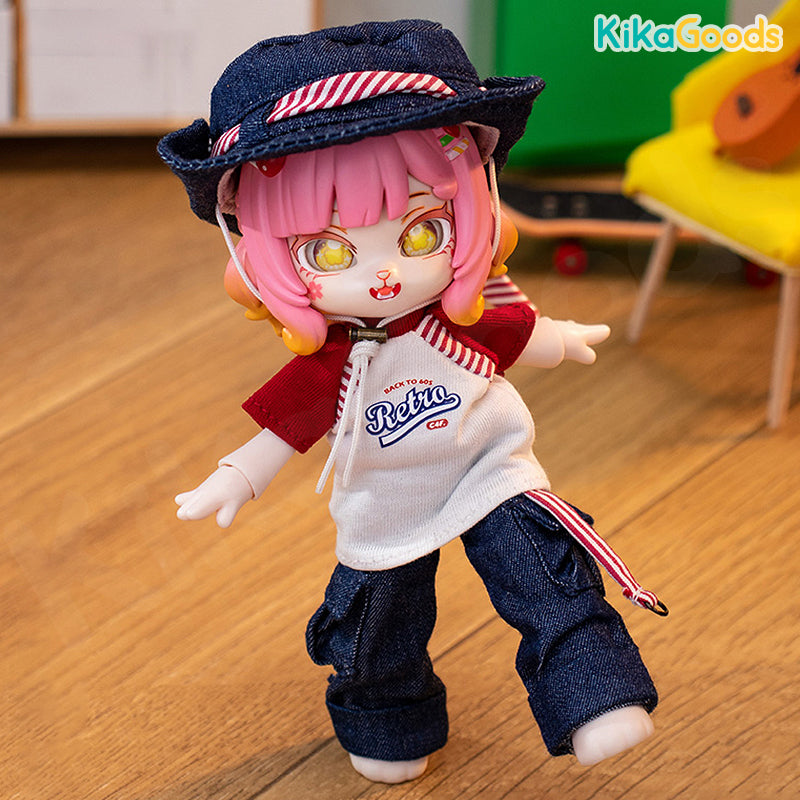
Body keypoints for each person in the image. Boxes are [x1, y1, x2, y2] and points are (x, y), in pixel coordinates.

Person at [159, 20, 664, 784]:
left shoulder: (460, 319)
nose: (385, 275)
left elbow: (516, 334)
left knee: (547, 569)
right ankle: (388, 722)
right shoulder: (340, 360)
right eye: (329, 252)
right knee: (376, 626)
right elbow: (287, 426)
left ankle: (595, 693)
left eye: (423, 232)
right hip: (384, 502)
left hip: (488, 467)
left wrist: (561, 338)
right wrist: (236, 475)